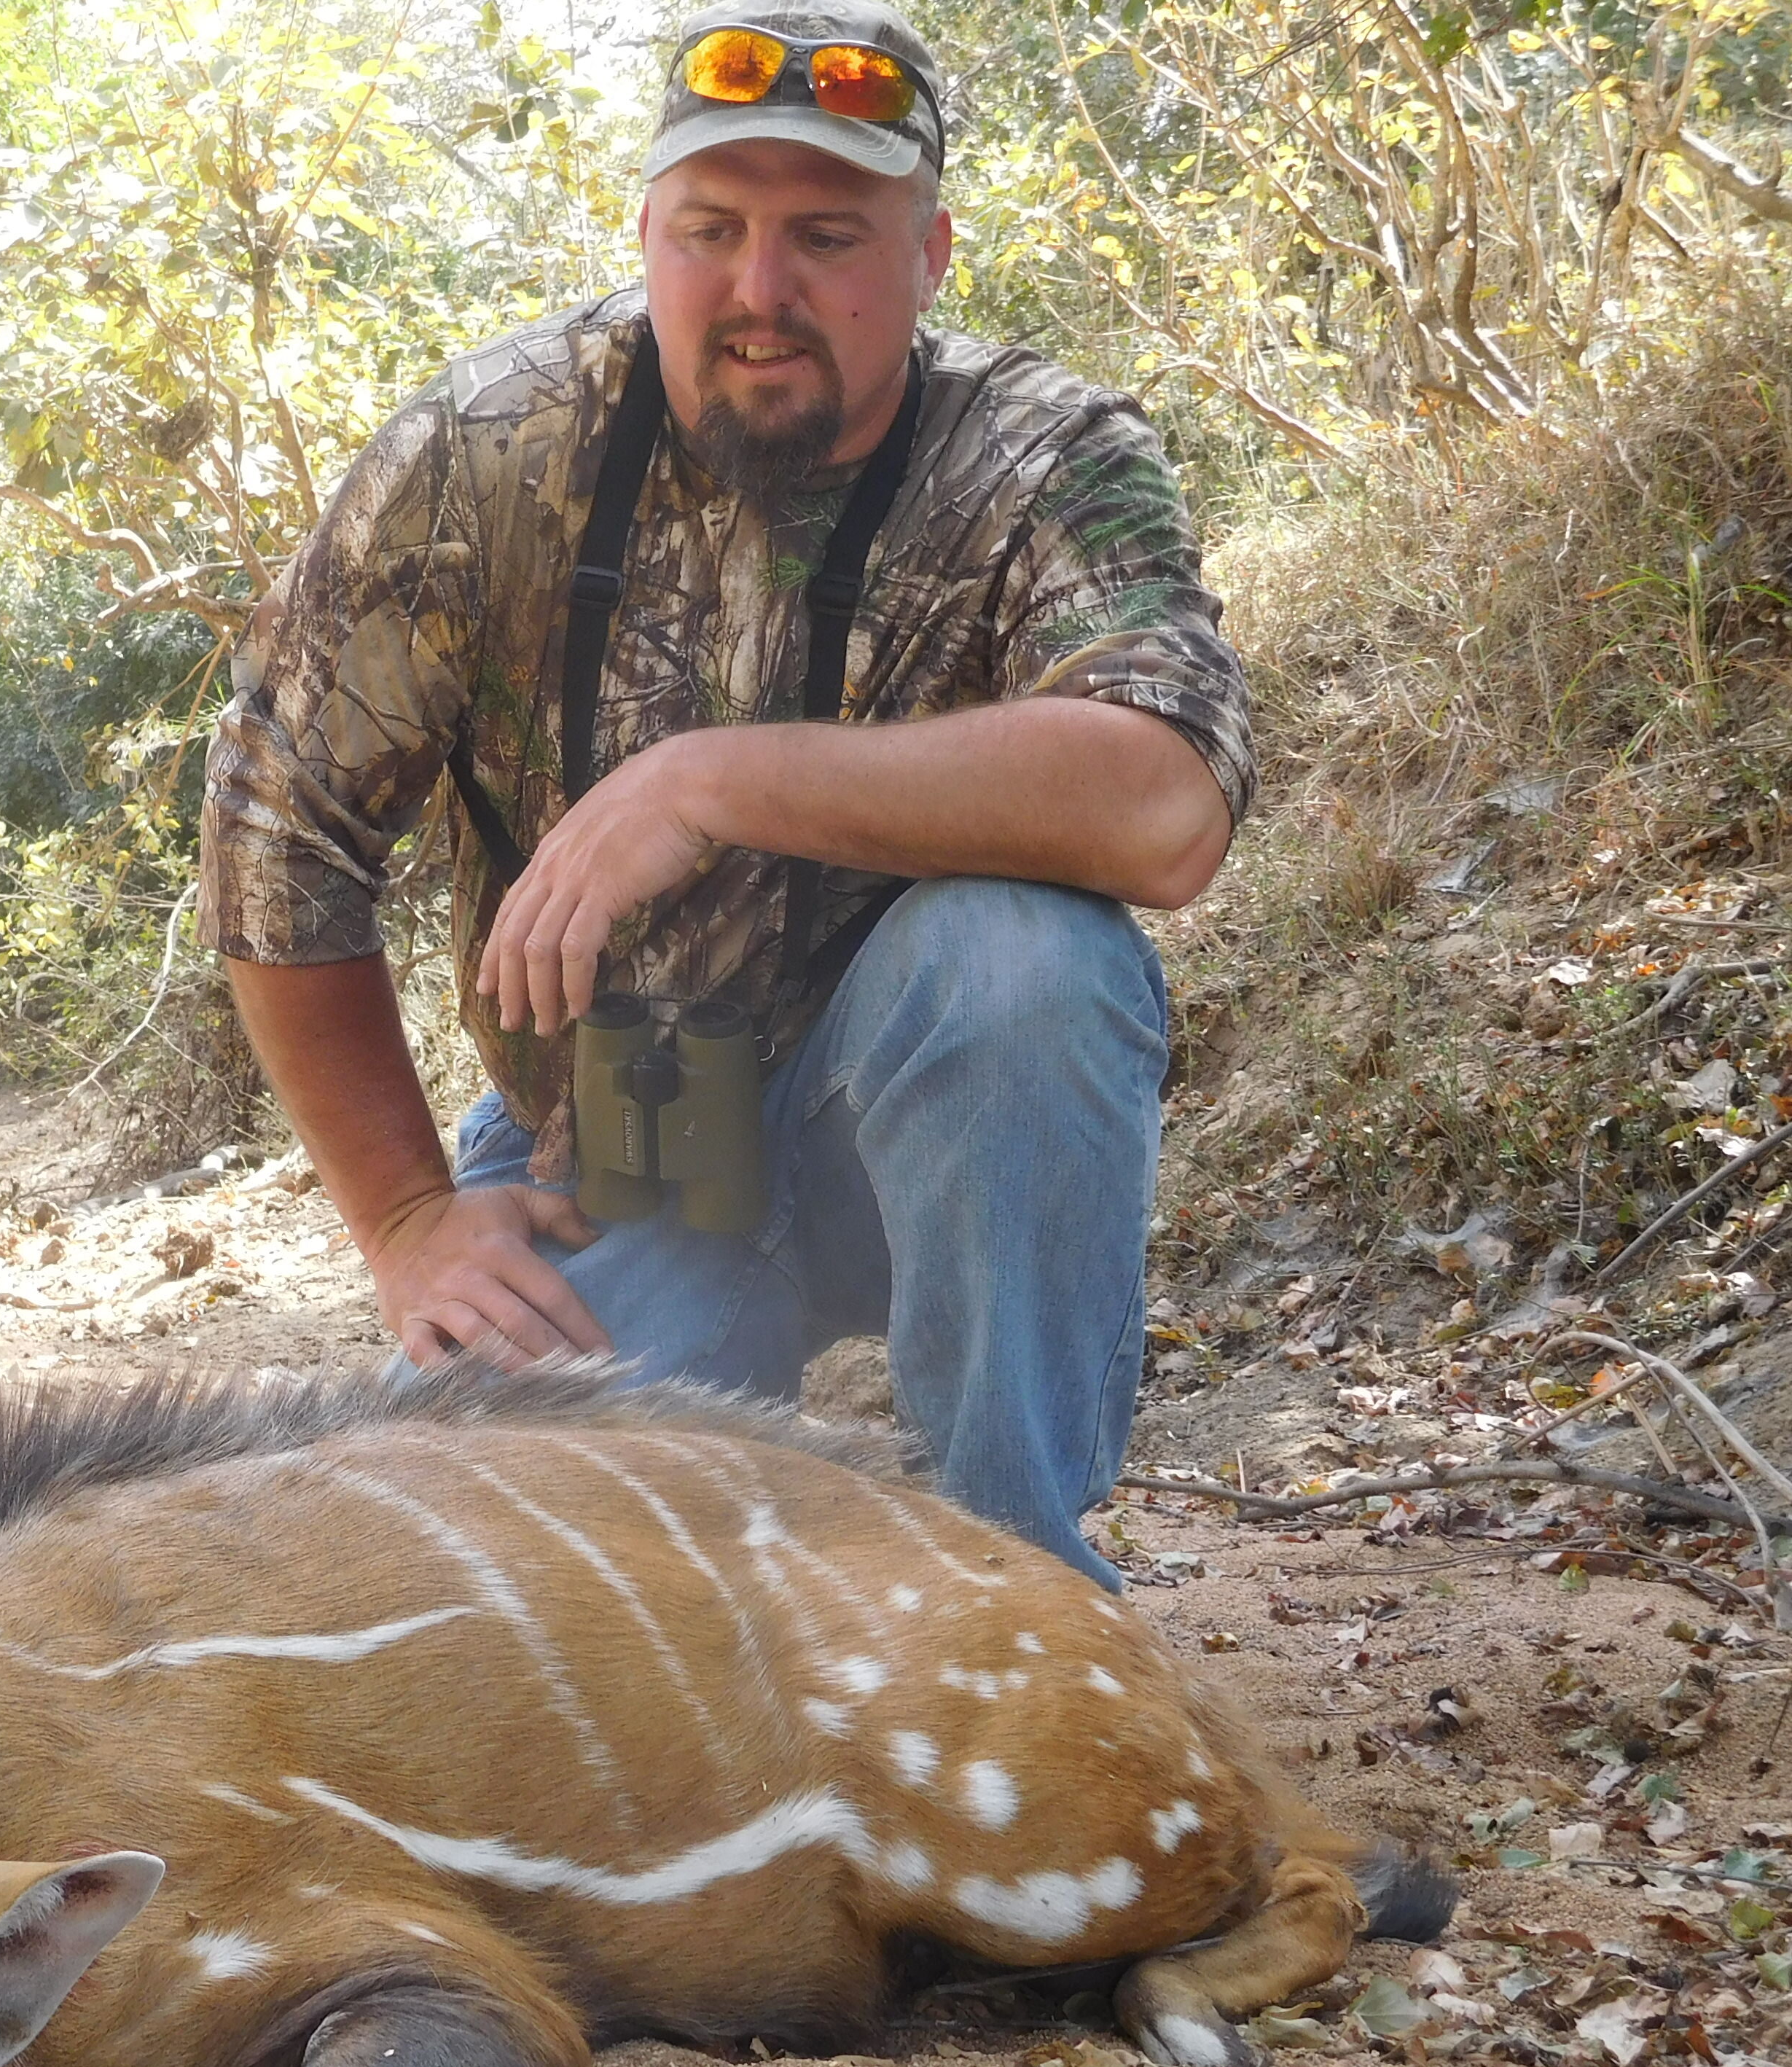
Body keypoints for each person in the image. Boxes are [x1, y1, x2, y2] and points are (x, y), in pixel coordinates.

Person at [199, 0, 1251, 1589]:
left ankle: (1015, 1605)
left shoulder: (1050, 457)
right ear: (645, 234)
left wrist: (720, 780)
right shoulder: (483, 452)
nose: (762, 291)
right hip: (613, 1151)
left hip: (930, 1132)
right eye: (712, 230)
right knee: (475, 1584)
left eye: (827, 234)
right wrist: (409, 1217)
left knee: (1027, 968)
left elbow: (1167, 801)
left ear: (932, 253)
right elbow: (277, 836)